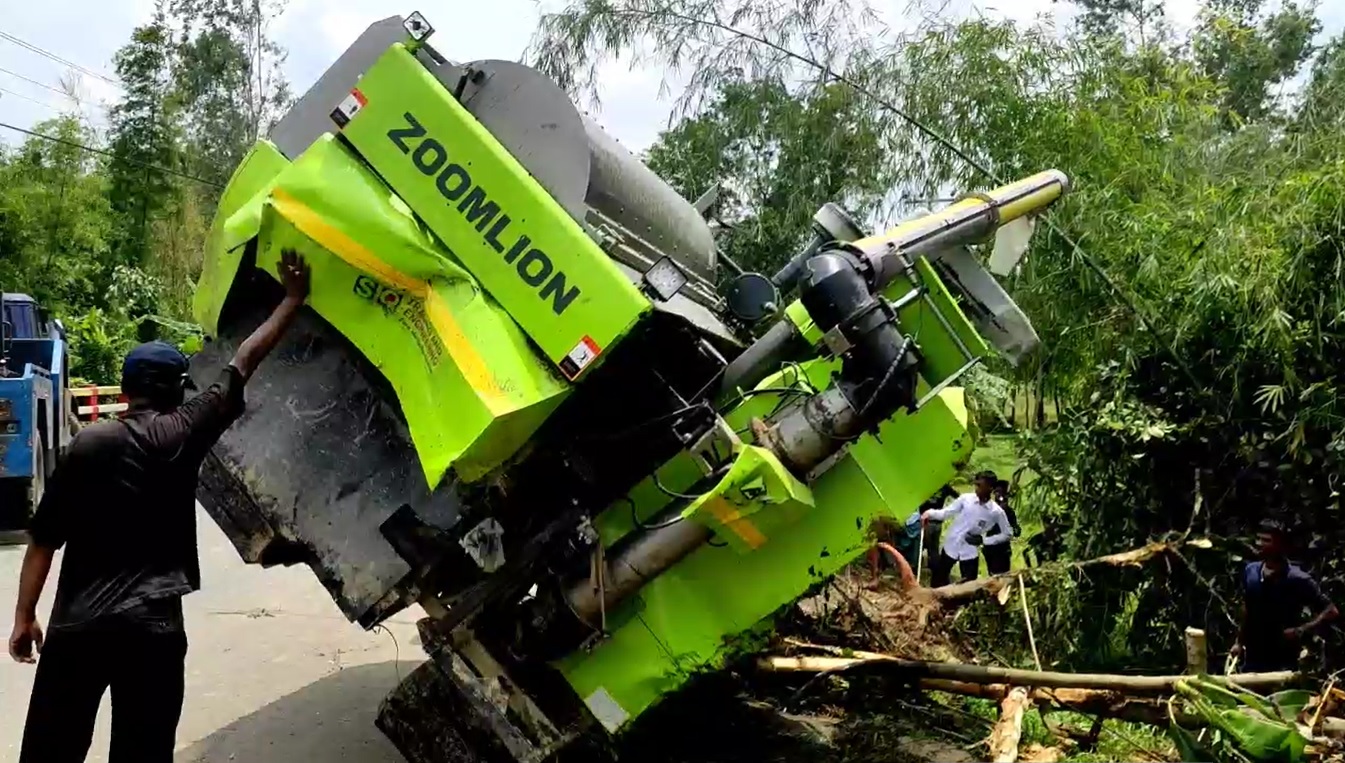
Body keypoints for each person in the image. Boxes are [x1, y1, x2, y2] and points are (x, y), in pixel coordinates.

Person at [8, 250, 312, 763]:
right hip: (153, 632)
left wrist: (23, 616)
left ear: (126, 390)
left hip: (78, 628)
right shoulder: (182, 432)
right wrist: (293, 299)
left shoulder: (89, 445)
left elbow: (42, 542)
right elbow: (243, 362)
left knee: (50, 751)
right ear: (175, 390)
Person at [1231, 520, 1338, 673]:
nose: (1260, 543)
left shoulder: (1298, 579)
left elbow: (1331, 611)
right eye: (1258, 539)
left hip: (1283, 660)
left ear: (1280, 544)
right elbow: (1247, 609)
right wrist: (1239, 643)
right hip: (1254, 658)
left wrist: (1300, 630)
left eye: (1266, 540)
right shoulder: (1251, 571)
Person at [922, 471, 1012, 587]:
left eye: (980, 485)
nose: (976, 488)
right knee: (938, 580)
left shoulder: (995, 512)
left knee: (969, 585)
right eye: (976, 484)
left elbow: (1007, 533)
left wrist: (984, 540)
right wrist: (929, 513)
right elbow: (945, 513)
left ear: (990, 488)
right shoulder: (965, 499)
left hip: (970, 550)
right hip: (951, 545)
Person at [918, 484, 959, 575]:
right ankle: (934, 570)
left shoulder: (923, 484)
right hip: (937, 521)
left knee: (922, 545)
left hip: (926, 521)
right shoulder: (945, 486)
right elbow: (958, 496)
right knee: (934, 547)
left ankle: (920, 569)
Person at [983, 478, 1022, 575]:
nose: (998, 495)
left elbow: (1016, 530)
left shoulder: (1009, 511)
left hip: (1003, 549)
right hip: (991, 548)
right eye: (996, 492)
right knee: (993, 575)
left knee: (1004, 575)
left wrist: (1015, 529)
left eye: (1001, 492)